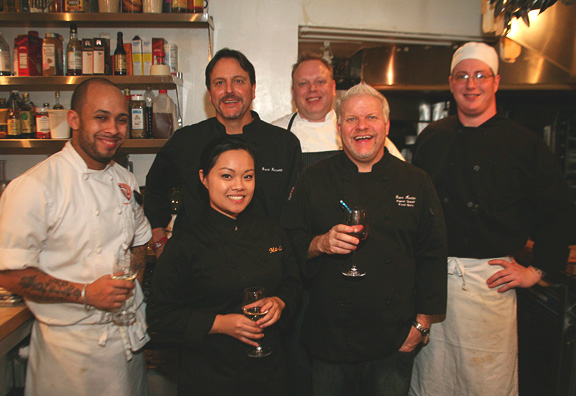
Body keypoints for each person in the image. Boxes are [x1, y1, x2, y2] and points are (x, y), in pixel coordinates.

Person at [409, 42, 576, 396]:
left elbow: (559, 208)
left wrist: (538, 270)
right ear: (451, 83)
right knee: (433, 382)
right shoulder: (432, 138)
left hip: (491, 284)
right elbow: (415, 209)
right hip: (434, 282)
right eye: (462, 76)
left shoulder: (523, 143)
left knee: (487, 383)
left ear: (496, 81)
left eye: (480, 75)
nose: (471, 84)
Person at [281, 82, 447, 396]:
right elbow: (288, 241)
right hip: (330, 335)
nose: (362, 127)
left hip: (394, 336)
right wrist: (320, 244)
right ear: (339, 127)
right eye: (352, 120)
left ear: (385, 124)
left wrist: (421, 325)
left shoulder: (416, 181)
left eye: (370, 118)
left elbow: (433, 254)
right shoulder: (313, 178)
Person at [0, 78, 152, 396]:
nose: (113, 128)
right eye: (101, 117)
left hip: (128, 340)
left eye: (121, 119)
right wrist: (85, 293)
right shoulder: (35, 186)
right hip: (70, 355)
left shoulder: (125, 180)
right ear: (74, 119)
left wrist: (131, 280)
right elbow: (10, 274)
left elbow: (139, 238)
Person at [146, 136, 302, 396]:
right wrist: (218, 323)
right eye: (227, 176)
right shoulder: (185, 243)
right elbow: (160, 316)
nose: (239, 186)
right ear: (204, 178)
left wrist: (281, 302)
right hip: (210, 377)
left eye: (248, 177)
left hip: (269, 375)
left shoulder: (271, 231)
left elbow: (293, 283)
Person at [145, 48, 301, 257]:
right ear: (209, 94)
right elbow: (155, 188)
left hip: (264, 263)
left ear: (253, 90)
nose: (229, 90)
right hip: (197, 265)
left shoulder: (283, 144)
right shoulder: (186, 141)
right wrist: (159, 239)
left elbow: (295, 212)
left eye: (238, 81)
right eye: (219, 83)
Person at [273, 52, 404, 166]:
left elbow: (399, 174)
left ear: (333, 87)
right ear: (293, 92)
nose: (312, 89)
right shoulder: (275, 134)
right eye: (303, 83)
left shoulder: (357, 132)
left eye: (320, 82)